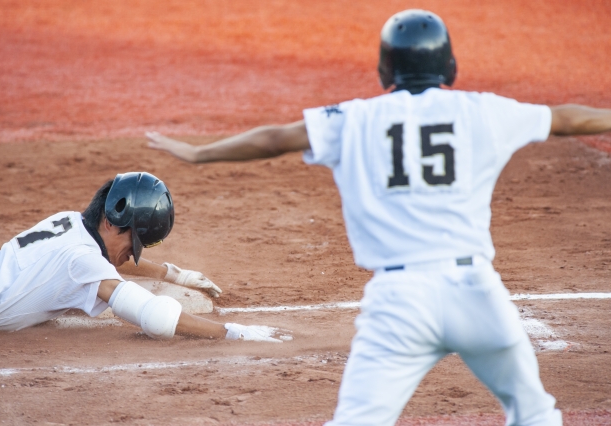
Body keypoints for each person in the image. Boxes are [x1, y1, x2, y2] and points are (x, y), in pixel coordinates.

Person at [144, 9, 611, 425]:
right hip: (477, 294)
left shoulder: (354, 118)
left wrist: (198, 154)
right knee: (534, 415)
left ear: (385, 69)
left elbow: (274, 139)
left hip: (399, 302)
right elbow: (565, 118)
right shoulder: (483, 111)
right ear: (449, 65)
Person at [0, 171, 289, 343]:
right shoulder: (82, 262)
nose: (130, 255)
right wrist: (232, 332)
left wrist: (173, 274)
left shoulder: (68, 221)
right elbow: (156, 317)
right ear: (110, 221)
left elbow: (109, 259)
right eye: (132, 242)